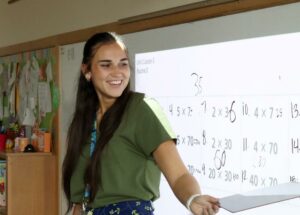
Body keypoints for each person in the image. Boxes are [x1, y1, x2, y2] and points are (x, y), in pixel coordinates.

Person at [62, 32, 220, 215]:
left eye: (123, 63)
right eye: (106, 65)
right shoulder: (84, 119)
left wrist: (192, 198)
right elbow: (78, 203)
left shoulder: (142, 109)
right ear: (87, 71)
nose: (117, 72)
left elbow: (179, 175)